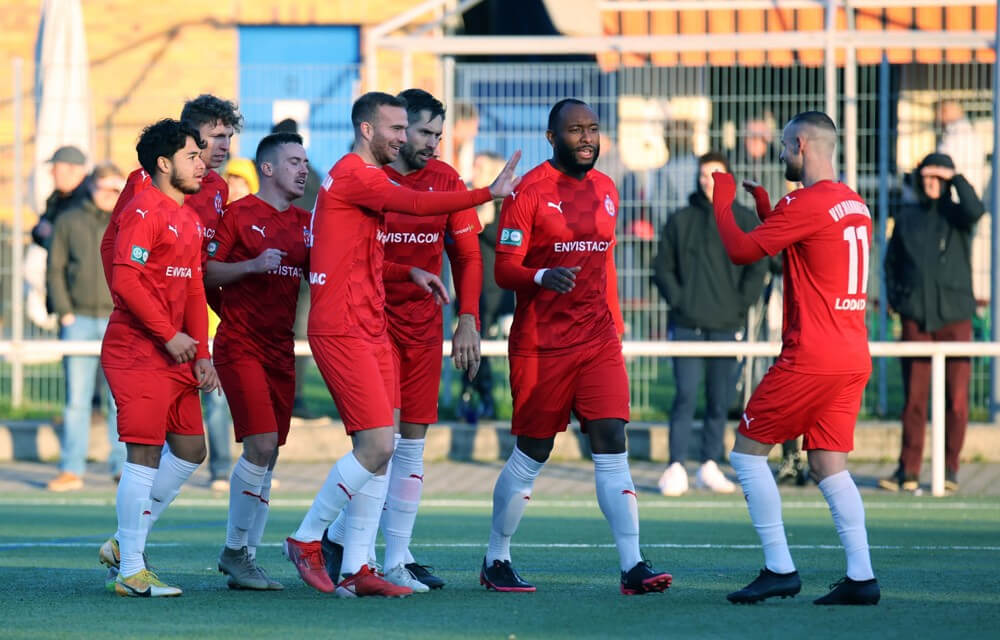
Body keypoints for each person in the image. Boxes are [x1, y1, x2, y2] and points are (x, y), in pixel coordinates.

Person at [282, 91, 519, 598]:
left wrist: (408, 271)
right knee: (379, 445)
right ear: (369, 130)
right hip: (346, 326)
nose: (407, 137)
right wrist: (488, 193)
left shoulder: (369, 178)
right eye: (398, 128)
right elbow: (411, 203)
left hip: (372, 325)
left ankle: (359, 565)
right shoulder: (356, 174)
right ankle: (307, 537)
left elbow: (360, 256)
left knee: (387, 449)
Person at [479, 98, 672, 596]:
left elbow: (603, 261)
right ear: (551, 137)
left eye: (592, 129)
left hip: (598, 341)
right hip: (541, 345)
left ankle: (633, 565)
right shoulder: (529, 192)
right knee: (533, 451)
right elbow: (503, 269)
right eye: (574, 130)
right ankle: (496, 558)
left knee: (612, 442)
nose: (587, 138)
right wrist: (542, 274)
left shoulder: (608, 189)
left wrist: (617, 324)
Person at [712, 111, 880, 606]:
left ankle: (779, 567)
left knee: (745, 455)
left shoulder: (806, 202)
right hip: (852, 354)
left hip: (812, 355)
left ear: (802, 145)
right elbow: (813, 247)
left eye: (785, 146)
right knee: (830, 465)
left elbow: (742, 252)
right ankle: (861, 576)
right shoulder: (855, 203)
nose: (782, 154)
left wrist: (725, 204)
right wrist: (769, 210)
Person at [320, 89, 483, 593]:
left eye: (439, 134)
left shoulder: (446, 180)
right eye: (422, 133)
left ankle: (387, 558)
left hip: (421, 328)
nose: (432, 143)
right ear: (393, 129)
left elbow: (469, 256)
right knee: (379, 445)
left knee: (410, 446)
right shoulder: (365, 177)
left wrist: (469, 319)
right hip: (369, 326)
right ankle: (351, 553)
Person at [99, 119, 220, 597]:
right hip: (137, 352)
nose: (202, 163)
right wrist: (170, 336)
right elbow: (126, 280)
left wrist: (202, 352)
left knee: (192, 451)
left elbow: (193, 288)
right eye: (193, 155)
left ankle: (120, 544)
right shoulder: (143, 209)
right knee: (144, 455)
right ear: (165, 164)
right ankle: (131, 569)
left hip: (178, 356)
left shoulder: (188, 218)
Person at [101, 94, 244, 492]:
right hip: (146, 329)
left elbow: (197, 269)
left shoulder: (216, 188)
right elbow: (115, 252)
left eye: (229, 137)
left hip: (190, 325)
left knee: (191, 445)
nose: (222, 147)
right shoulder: (143, 186)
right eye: (215, 137)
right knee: (145, 450)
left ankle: (131, 535)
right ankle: (130, 549)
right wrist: (137, 308)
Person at [204, 132, 312, 590]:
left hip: (280, 348)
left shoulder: (309, 222)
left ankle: (247, 557)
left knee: (269, 457)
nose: (303, 169)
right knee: (262, 444)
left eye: (305, 161)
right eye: (293, 161)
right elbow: (206, 272)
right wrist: (250, 267)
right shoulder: (239, 215)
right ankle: (233, 552)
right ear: (267, 168)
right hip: (240, 343)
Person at [652, 151, 768, 497]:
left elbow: (757, 268)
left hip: (725, 324)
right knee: (685, 395)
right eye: (703, 174)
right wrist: (680, 302)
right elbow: (662, 270)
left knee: (719, 398)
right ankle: (675, 466)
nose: (707, 180)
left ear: (728, 178)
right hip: (686, 324)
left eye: (715, 174)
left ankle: (709, 464)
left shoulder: (744, 219)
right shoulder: (680, 220)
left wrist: (737, 306)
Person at [880, 153, 984, 494]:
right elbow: (891, 263)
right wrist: (899, 301)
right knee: (914, 398)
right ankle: (907, 470)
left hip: (955, 317)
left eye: (937, 177)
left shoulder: (958, 216)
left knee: (956, 399)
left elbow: (975, 209)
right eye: (926, 176)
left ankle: (950, 469)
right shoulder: (907, 217)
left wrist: (954, 178)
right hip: (917, 320)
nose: (930, 182)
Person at [45, 164, 128, 491]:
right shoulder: (68, 220)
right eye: (105, 188)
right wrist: (64, 312)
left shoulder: (128, 221)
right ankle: (72, 469)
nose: (111, 196)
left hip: (117, 319)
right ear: (92, 187)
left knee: (119, 399)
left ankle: (121, 468)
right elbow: (55, 269)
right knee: (77, 400)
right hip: (77, 319)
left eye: (116, 190)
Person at [271, 117, 324, 420]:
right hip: (304, 264)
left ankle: (287, 395)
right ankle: (296, 397)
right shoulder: (312, 174)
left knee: (284, 333)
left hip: (279, 265)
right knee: (298, 333)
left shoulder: (262, 169)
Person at [458, 151, 514, 421]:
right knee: (467, 346)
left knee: (486, 346)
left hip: (494, 292)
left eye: (480, 167)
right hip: (469, 290)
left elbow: (506, 241)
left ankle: (485, 398)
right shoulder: (471, 201)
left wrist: (487, 219)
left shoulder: (506, 206)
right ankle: (468, 396)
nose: (474, 171)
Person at [32, 145, 90, 249]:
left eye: (55, 168)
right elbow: (41, 231)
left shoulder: (91, 200)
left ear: (72, 169)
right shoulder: (56, 198)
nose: (51, 173)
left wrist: (54, 234)